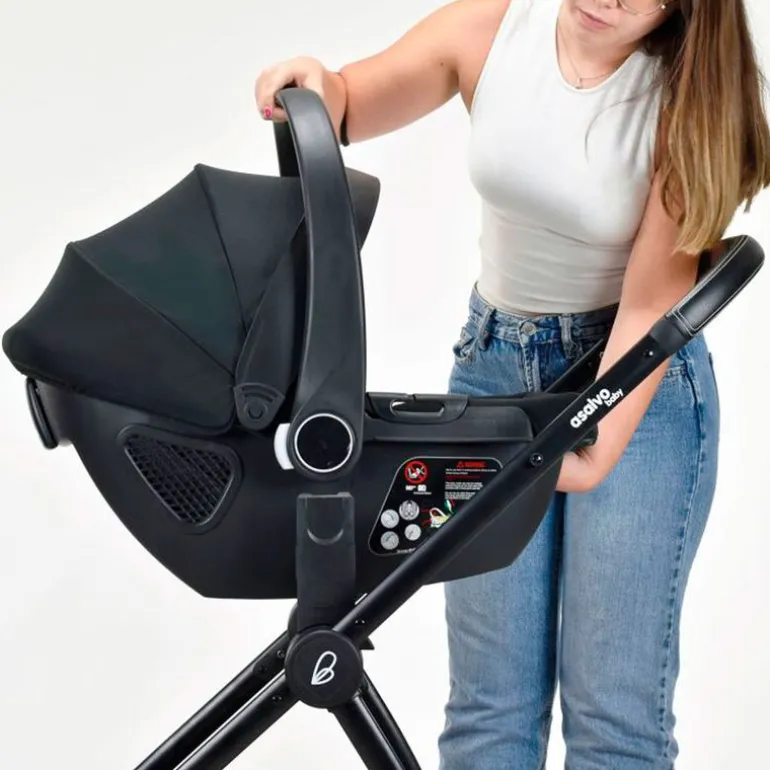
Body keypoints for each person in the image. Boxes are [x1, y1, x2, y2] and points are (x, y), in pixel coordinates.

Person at [255, 0, 770, 767]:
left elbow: (649, 307)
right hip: (494, 369)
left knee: (615, 721)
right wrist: (315, 85)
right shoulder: (494, 29)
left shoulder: (688, 94)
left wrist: (592, 450)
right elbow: (351, 101)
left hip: (635, 387)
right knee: (488, 709)